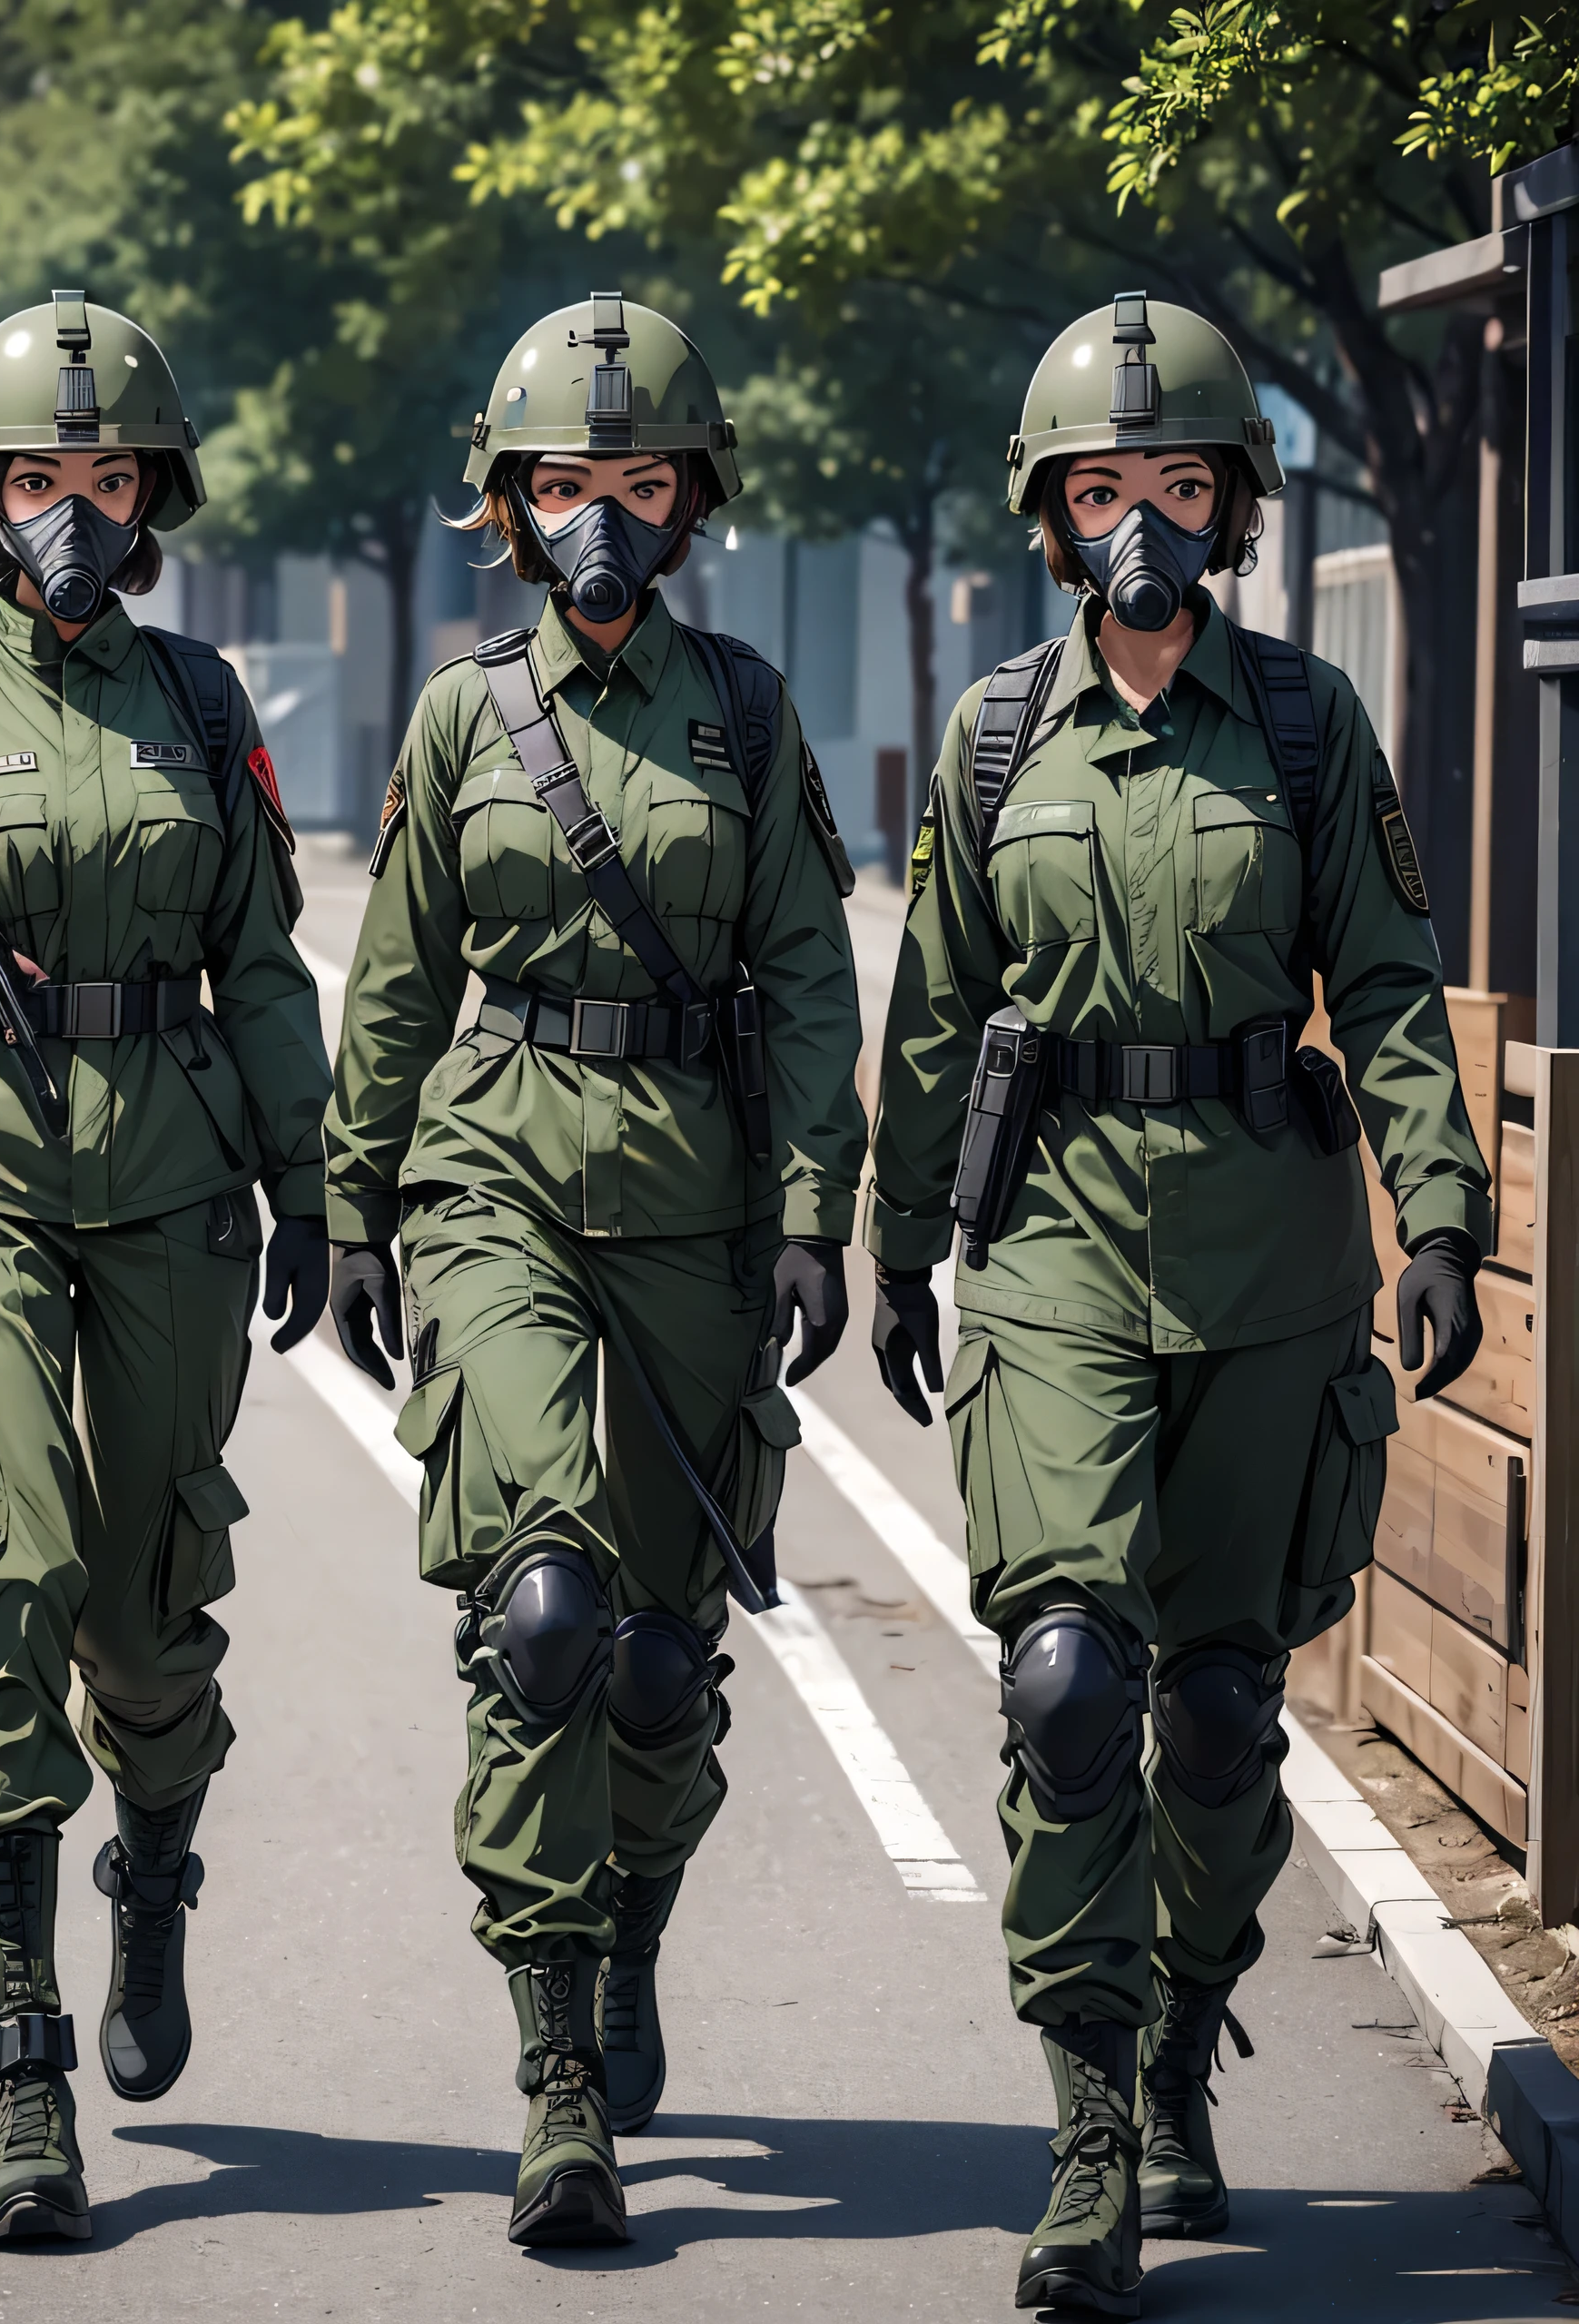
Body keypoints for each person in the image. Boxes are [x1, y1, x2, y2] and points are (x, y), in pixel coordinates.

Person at [864, 292, 1490, 2317]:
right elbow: (937, 1004)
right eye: (1104, 487)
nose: (1140, 517)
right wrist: (882, 1237)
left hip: (1263, 1256)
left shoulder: (1305, 727)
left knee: (1218, 1709)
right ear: (1052, 516)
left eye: (1179, 483)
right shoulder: (988, 740)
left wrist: (1443, 1219)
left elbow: (1390, 982)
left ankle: (1176, 2029)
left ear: (1227, 508)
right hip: (1047, 1249)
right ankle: (1080, 2141)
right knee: (1066, 1684)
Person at [323, 292, 866, 2246]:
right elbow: (393, 977)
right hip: (500, 1180)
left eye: (635, 483)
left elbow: (806, 971)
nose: (599, 521)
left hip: (701, 1207)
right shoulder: (466, 714)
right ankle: (556, 2068)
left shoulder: (744, 711)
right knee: (539, 1613)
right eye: (564, 484)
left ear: (688, 497)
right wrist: (355, 1198)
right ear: (508, 502)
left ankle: (629, 1926)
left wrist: (815, 1208)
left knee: (655, 1658)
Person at [0, 292, 332, 2245]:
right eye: (38, 478)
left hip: (177, 1174)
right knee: (1, 1579)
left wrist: (315, 1186)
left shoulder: (204, 707)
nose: (73, 513)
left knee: (145, 1610)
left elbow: (268, 966)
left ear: (151, 498)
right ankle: (23, 2068)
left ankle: (152, 1872)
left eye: (105, 479)